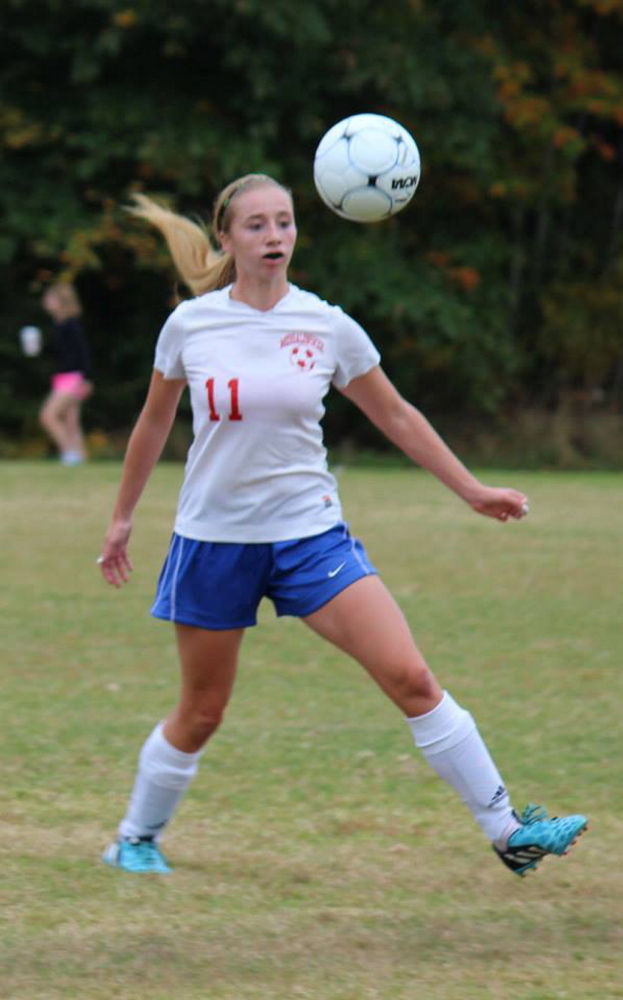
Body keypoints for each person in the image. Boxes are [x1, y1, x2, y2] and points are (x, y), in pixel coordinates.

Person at [98, 175, 587, 877]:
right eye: (257, 226)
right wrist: (121, 520)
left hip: (309, 537)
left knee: (411, 676)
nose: (274, 237)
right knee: (202, 712)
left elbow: (395, 414)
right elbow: (153, 423)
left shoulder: (325, 323)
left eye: (285, 223)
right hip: (214, 542)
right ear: (228, 239)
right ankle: (136, 838)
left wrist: (470, 489)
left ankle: (507, 829)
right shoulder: (191, 325)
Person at [39, 281, 92, 465]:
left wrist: (85, 379)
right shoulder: (58, 325)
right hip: (63, 377)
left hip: (73, 378)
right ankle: (80, 457)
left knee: (48, 415)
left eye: (50, 298)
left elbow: (83, 353)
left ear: (61, 301)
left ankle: (69, 452)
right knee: (71, 420)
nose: (45, 301)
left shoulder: (71, 326)